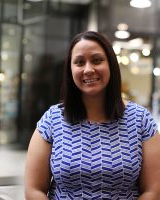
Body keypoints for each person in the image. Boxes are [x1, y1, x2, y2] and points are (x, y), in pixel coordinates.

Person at [24, 31, 160, 199]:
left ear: (110, 64)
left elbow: (153, 191)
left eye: (97, 60)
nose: (88, 69)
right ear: (70, 70)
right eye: (80, 62)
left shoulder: (140, 120)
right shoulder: (52, 119)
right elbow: (34, 189)